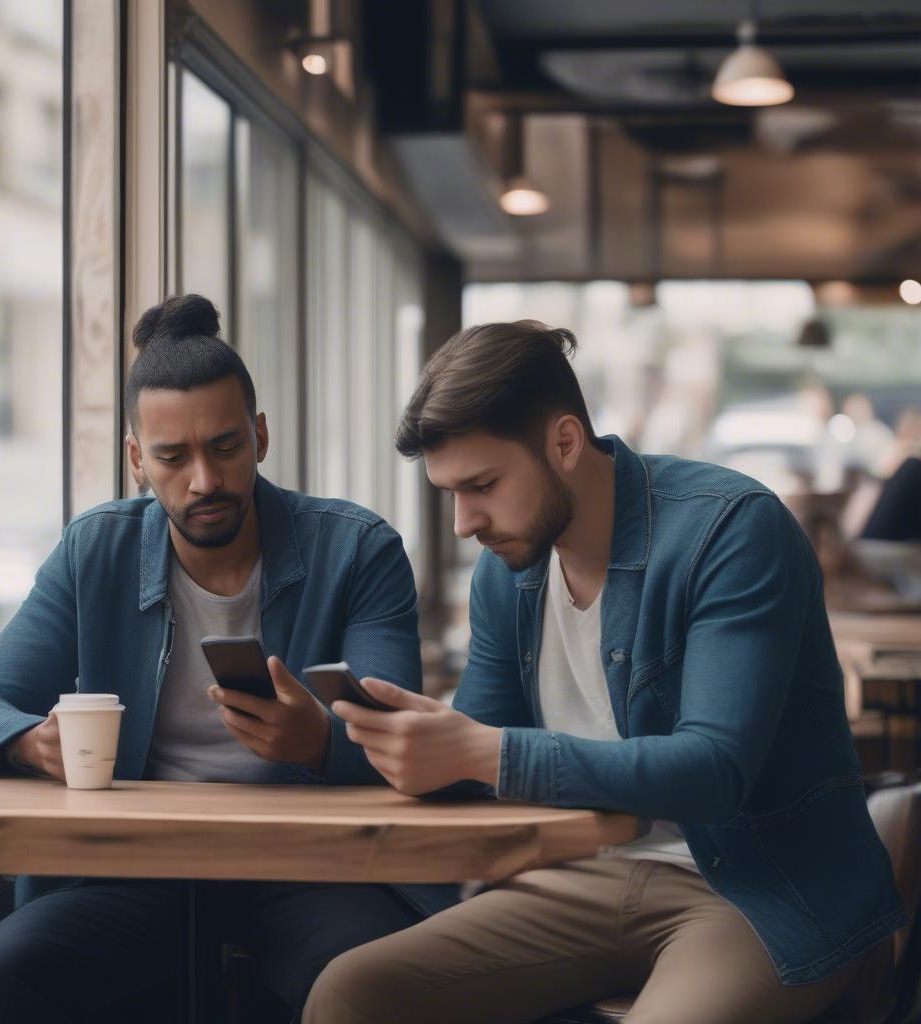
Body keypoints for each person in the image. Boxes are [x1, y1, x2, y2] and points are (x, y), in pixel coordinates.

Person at [303, 320, 906, 1024]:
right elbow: (485, 751)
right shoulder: (508, 576)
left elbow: (713, 770)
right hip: (589, 876)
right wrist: (416, 746)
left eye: (484, 485)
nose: (465, 522)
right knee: (352, 992)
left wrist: (478, 750)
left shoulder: (732, 531)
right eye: (450, 494)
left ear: (564, 442)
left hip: (756, 890)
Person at [0, 295, 451, 1024]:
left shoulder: (357, 549)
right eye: (174, 457)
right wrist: (30, 744)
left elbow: (406, 738)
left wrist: (319, 743)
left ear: (261, 436)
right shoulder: (96, 552)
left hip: (310, 866)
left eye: (226, 447)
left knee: (385, 989)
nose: (204, 480)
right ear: (137, 459)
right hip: (136, 867)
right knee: (0, 975)